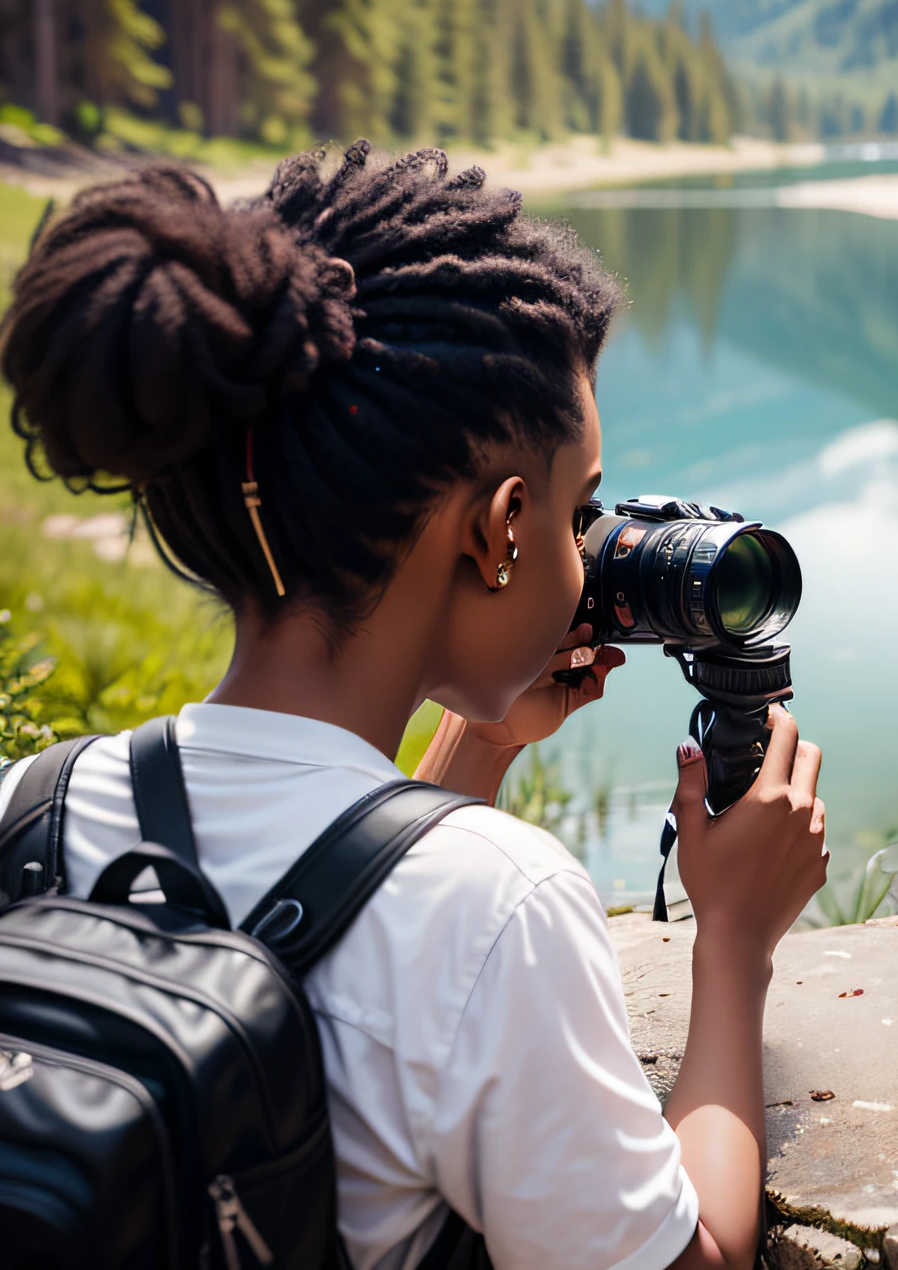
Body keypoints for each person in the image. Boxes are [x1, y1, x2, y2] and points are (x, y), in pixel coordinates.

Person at [0, 142, 828, 1270]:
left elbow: (314, 937)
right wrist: (733, 938)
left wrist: (476, 748)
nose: (588, 560)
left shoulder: (36, 807)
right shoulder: (500, 909)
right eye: (574, 514)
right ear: (497, 529)